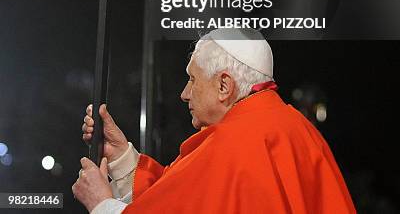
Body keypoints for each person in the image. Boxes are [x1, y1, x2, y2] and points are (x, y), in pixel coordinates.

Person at [72, 28, 356, 213]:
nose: (184, 94)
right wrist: (121, 156)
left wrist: (102, 204)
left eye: (193, 80)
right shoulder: (294, 126)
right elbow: (185, 200)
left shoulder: (234, 142)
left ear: (224, 86)